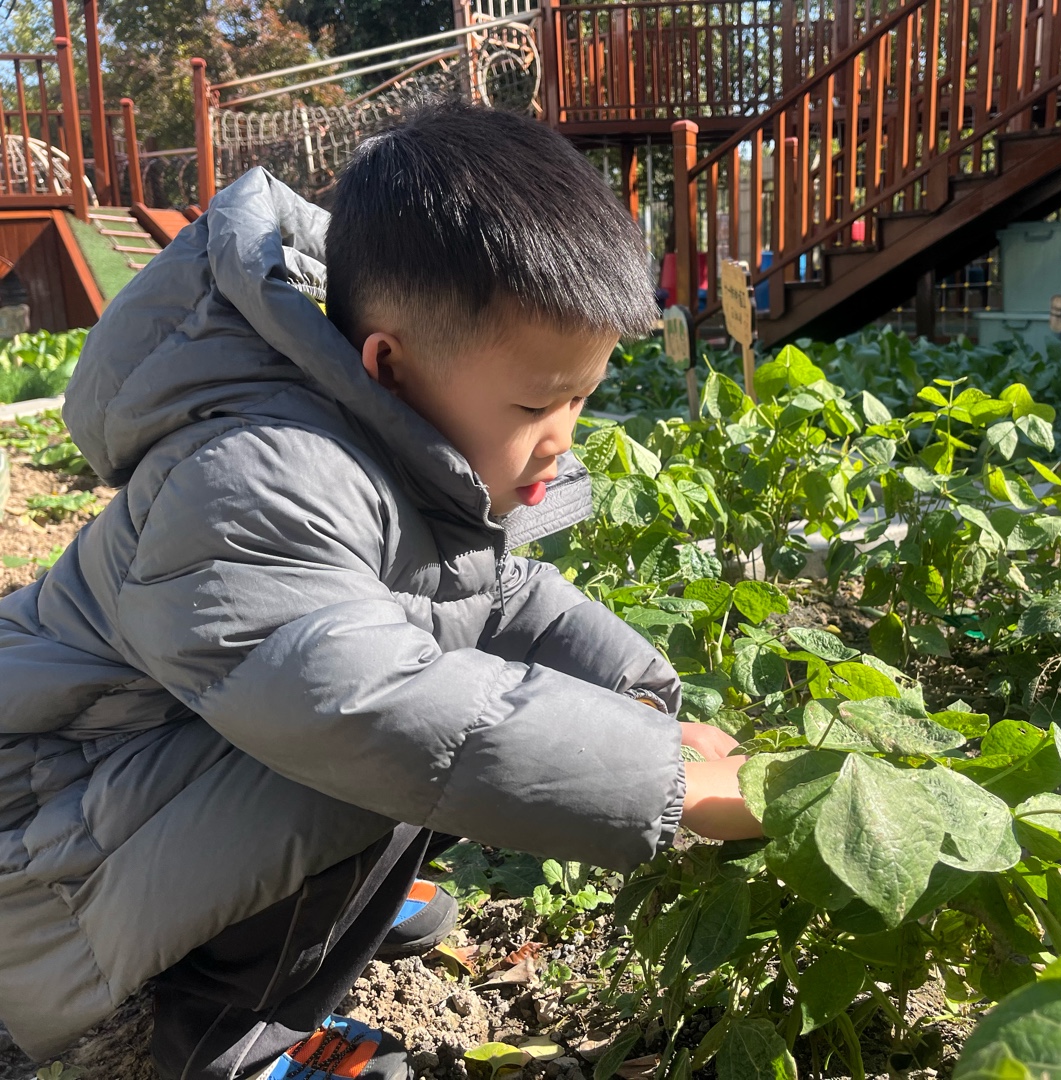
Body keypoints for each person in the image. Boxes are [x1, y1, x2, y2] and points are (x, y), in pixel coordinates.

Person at [0, 100, 761, 1080]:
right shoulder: (253, 474)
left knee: (440, 716)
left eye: (581, 396)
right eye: (537, 403)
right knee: (392, 751)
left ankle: (299, 914)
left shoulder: (387, 439)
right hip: (39, 850)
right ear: (389, 365)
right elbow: (366, 708)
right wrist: (669, 785)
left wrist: (644, 704)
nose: (563, 436)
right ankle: (230, 1045)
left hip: (132, 789)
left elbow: (496, 598)